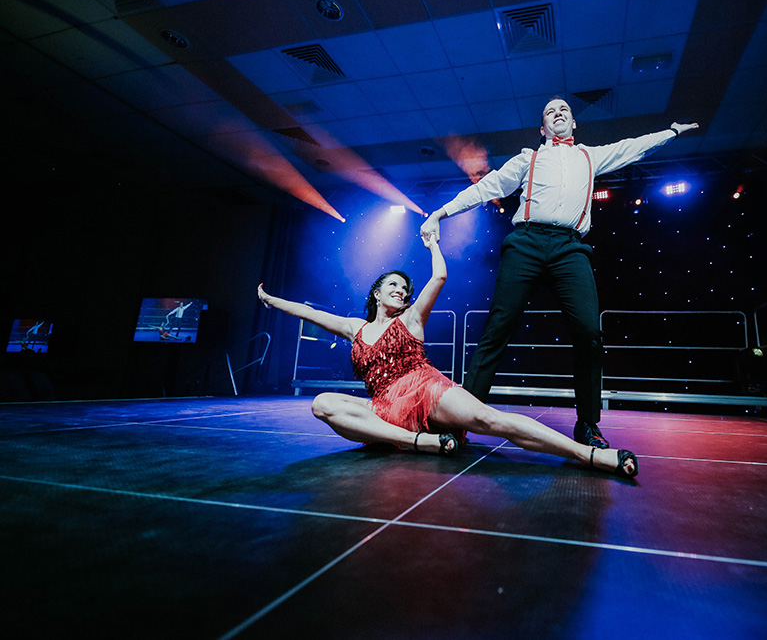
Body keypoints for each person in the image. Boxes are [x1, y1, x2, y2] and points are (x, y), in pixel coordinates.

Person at [420, 96, 698, 449]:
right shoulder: (529, 158)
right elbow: (486, 188)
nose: (558, 114)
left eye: (564, 110)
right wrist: (439, 213)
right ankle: (461, 420)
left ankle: (587, 424)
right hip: (526, 243)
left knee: (588, 332)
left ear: (573, 122)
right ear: (543, 127)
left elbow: (633, 148)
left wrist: (671, 132)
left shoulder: (590, 156)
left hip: (570, 248)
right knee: (497, 328)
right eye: (550, 112)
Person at [256, 233, 638, 478]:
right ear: (376, 293)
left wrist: (433, 244)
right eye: (393, 285)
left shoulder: (412, 318)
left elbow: (438, 277)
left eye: (404, 288)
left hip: (424, 390)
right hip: (384, 408)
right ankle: (418, 442)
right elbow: (313, 314)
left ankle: (588, 455)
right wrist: (274, 302)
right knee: (322, 403)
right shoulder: (355, 328)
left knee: (489, 419)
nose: (401, 291)